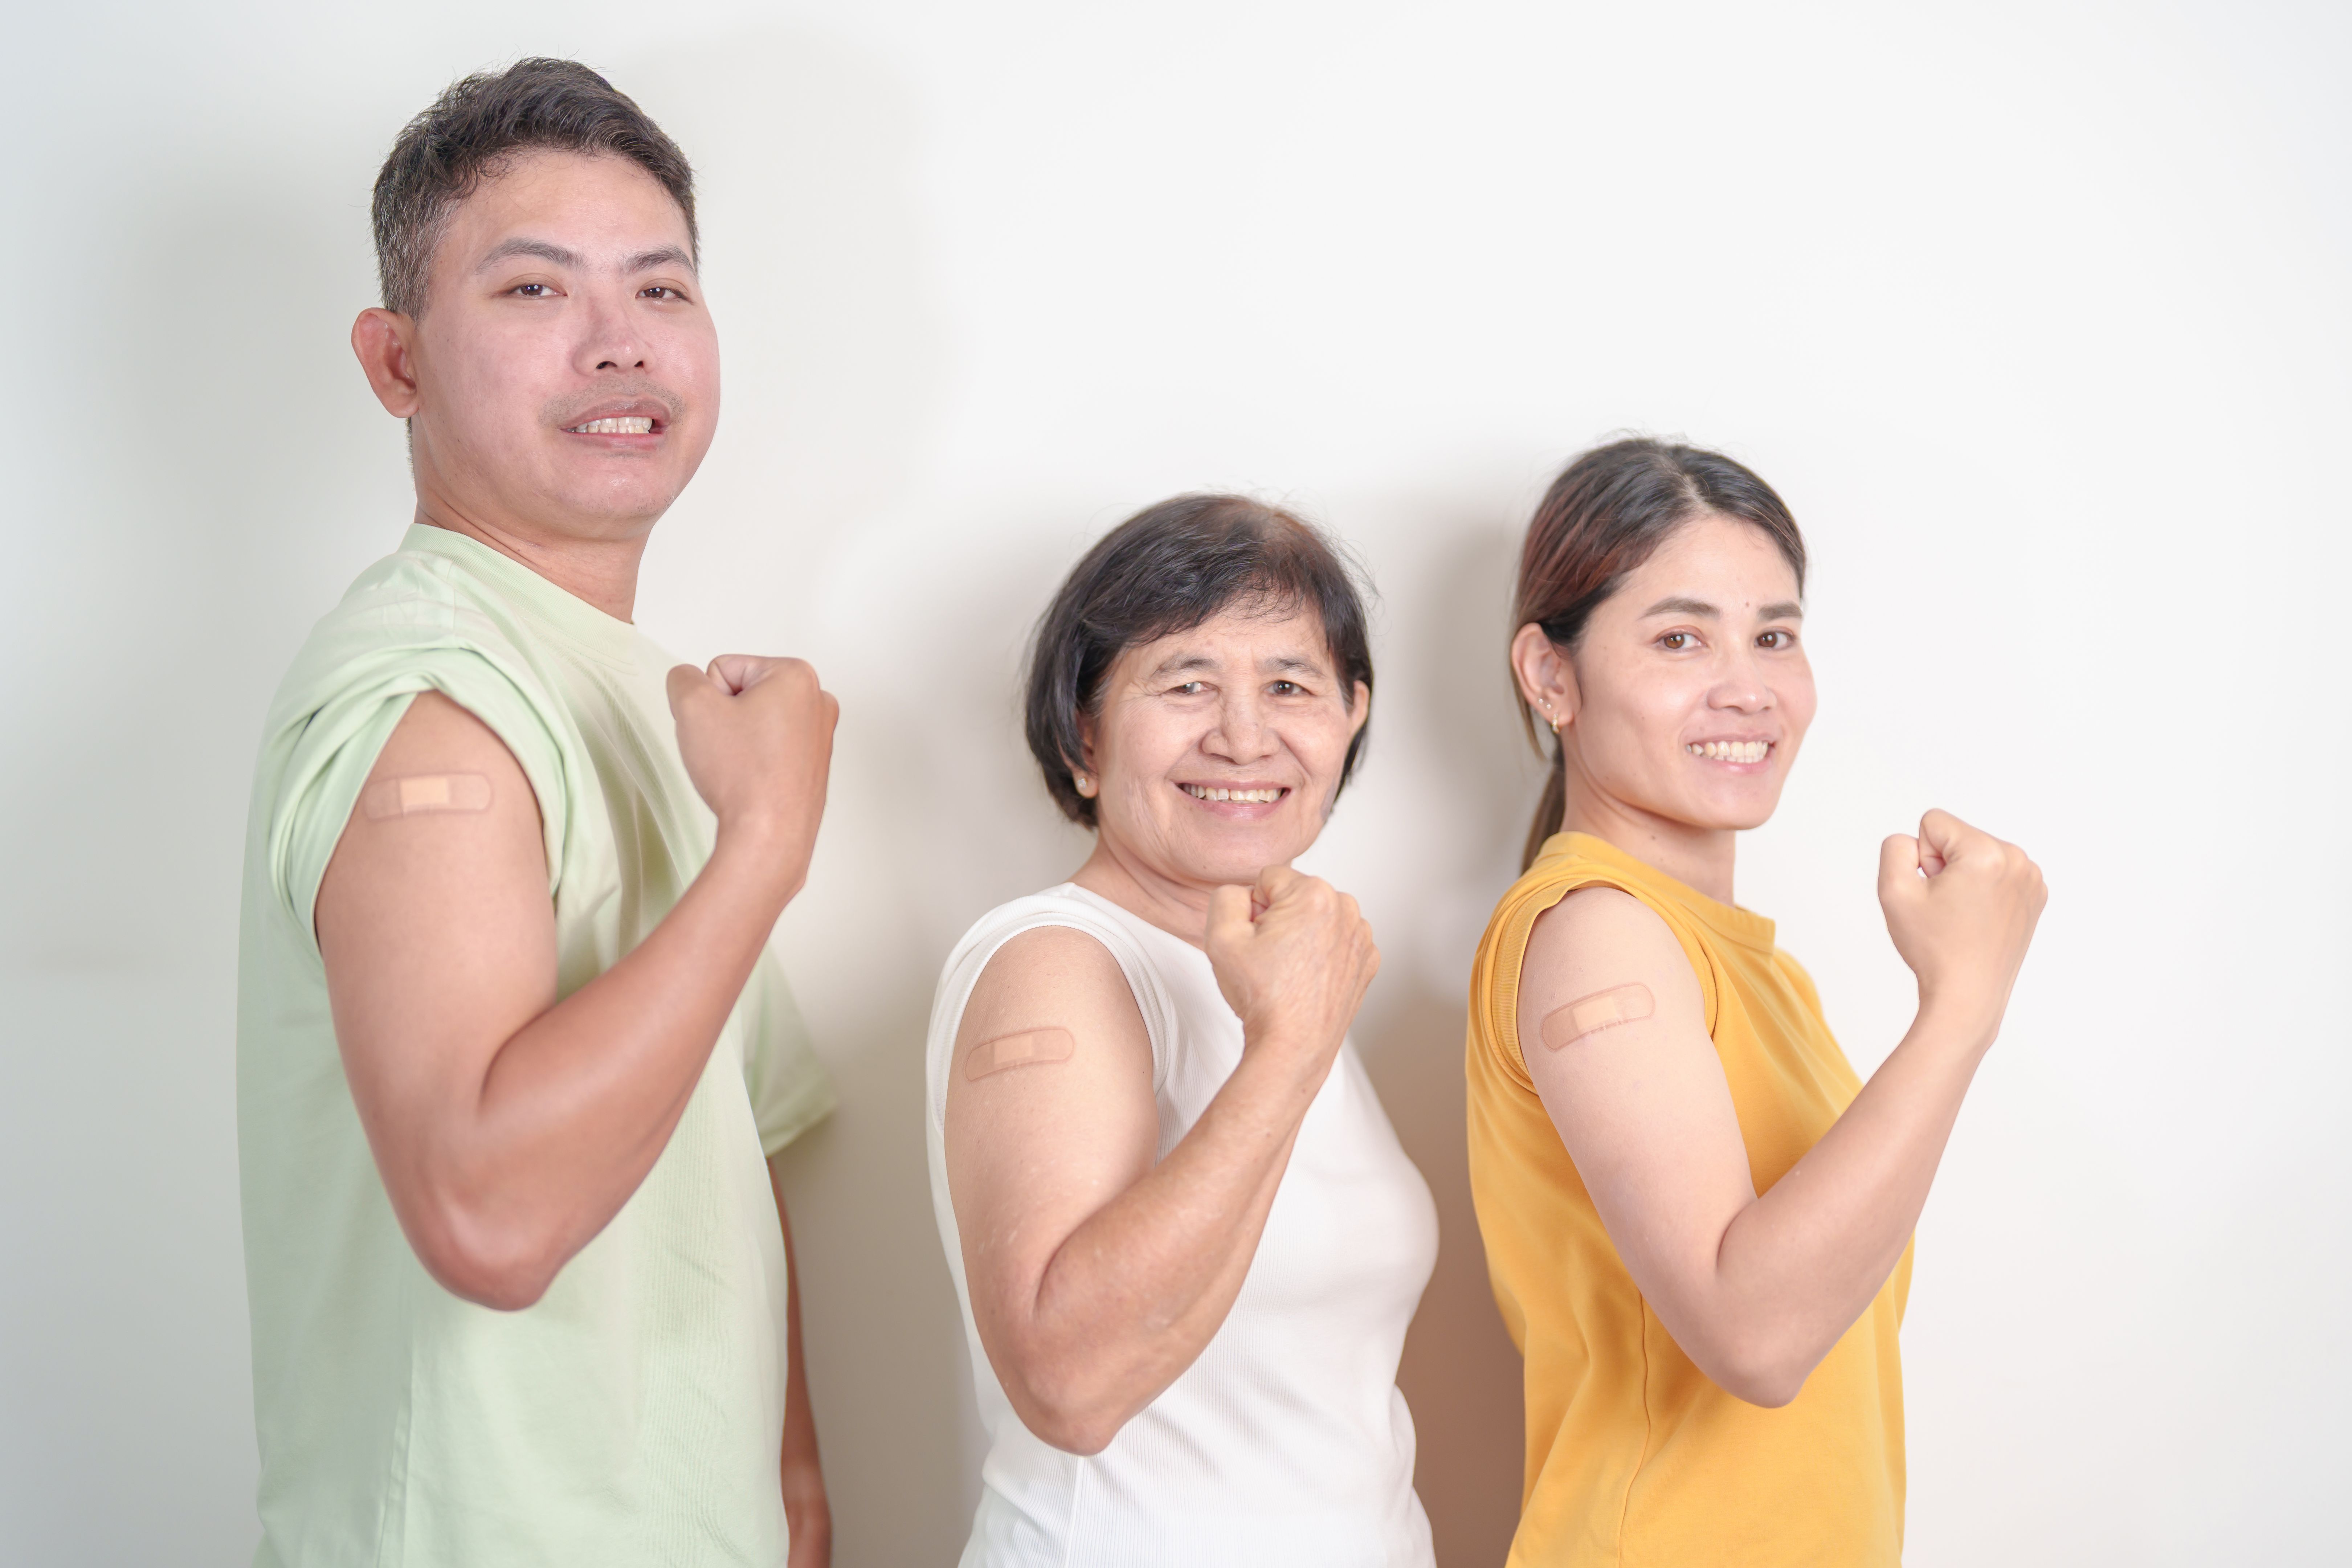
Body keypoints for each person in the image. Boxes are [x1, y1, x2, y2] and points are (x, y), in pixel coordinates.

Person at [235, 60, 839, 1566]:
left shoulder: (646, 700)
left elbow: (739, 1156)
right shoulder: (433, 697)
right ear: (396, 362)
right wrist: (764, 852)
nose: (618, 347)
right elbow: (490, 1220)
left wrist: (798, 1507)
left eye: (662, 291)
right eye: (531, 292)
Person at [1465, 438, 2047, 1567]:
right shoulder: (1596, 935)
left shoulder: (1744, 968)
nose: (1749, 686)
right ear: (1551, 676)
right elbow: (1757, 1335)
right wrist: (1962, 1006)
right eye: (1681, 638)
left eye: (1774, 635)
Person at [923, 495, 1440, 1566]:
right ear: (1085, 733)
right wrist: (1290, 1048)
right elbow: (1068, 1383)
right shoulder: (1056, 962)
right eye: (1186, 682)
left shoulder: (1281, 965)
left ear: (1349, 719)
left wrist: (1295, 1026)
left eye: (1289, 686)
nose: (1244, 735)